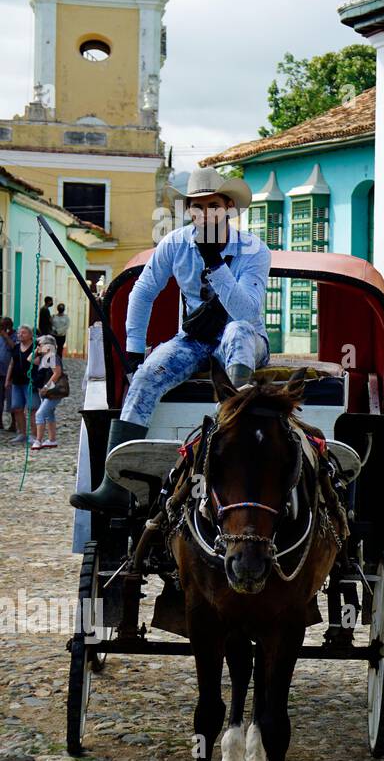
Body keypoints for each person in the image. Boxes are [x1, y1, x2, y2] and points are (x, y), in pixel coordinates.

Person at [71, 168, 270, 513]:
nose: (206, 213)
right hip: (195, 339)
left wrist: (214, 263)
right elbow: (143, 291)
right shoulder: (175, 244)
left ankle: (237, 442)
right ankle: (114, 484)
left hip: (244, 339)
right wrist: (134, 350)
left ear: (228, 209)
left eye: (213, 205)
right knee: (147, 375)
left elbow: (247, 312)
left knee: (237, 334)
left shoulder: (254, 250)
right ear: (190, 210)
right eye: (197, 206)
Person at [31, 334, 64, 450]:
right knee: (49, 414)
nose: (38, 346)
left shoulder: (52, 357)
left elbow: (57, 373)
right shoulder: (44, 358)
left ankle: (38, 440)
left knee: (40, 414)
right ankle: (52, 439)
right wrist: (37, 350)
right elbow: (29, 360)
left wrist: (46, 387)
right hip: (45, 392)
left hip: (52, 391)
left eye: (40, 344)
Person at [5, 325, 34, 447]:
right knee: (17, 408)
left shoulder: (35, 347)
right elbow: (12, 364)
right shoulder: (16, 347)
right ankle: (22, 433)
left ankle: (33, 435)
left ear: (30, 335)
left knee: (32, 409)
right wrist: (8, 379)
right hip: (16, 382)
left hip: (30, 382)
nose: (20, 335)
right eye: (19, 333)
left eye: (23, 333)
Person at [0, 318, 14, 433]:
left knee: (11, 399)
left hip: (10, 373)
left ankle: (13, 423)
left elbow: (14, 347)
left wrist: (6, 336)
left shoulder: (14, 335)